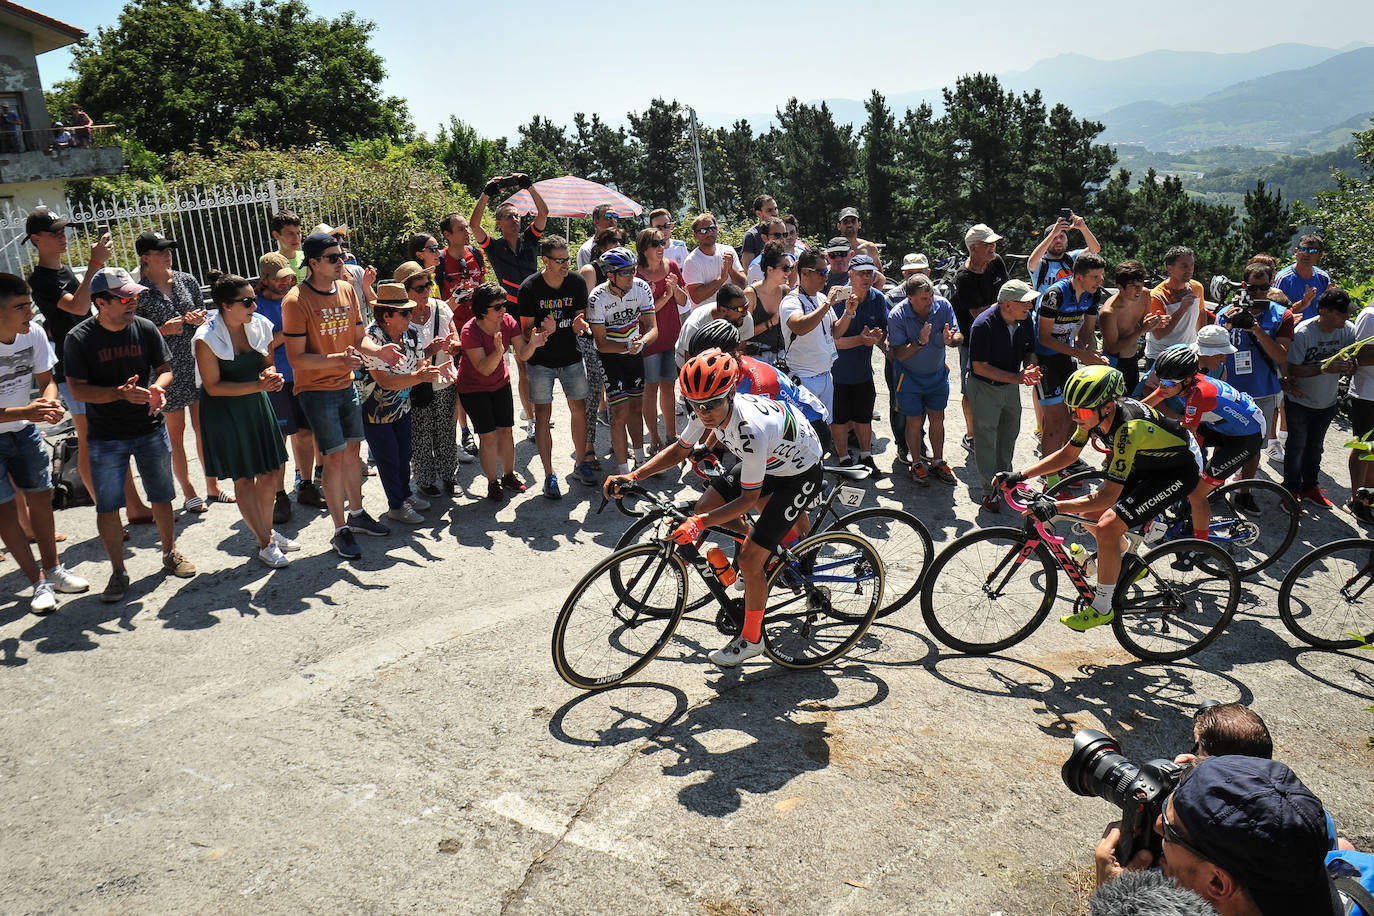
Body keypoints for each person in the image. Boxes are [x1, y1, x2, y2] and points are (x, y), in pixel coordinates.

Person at [604, 349, 825, 667]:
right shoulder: (705, 408)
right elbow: (680, 449)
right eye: (696, 405)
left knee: (748, 560)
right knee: (706, 506)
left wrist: (699, 523)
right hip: (771, 462)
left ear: (731, 394)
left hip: (799, 473)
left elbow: (748, 500)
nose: (704, 412)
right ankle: (762, 550)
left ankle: (752, 639)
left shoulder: (750, 429)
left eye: (711, 404)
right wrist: (634, 475)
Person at [996, 365, 1205, 631]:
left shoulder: (1128, 430)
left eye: (1081, 412)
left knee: (1107, 525)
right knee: (1089, 516)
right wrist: (1020, 474)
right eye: (1071, 410)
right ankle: (1125, 564)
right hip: (1148, 459)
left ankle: (1102, 607)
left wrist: (1054, 507)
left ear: (1106, 406)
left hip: (1179, 469)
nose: (1075, 417)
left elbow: (1106, 496)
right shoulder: (1094, 415)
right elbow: (1068, 455)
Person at [64, 267, 197, 602]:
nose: (132, 302)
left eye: (134, 296)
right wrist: (118, 394)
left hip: (150, 427)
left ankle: (170, 553)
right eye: (124, 298)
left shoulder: (145, 328)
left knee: (162, 495)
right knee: (108, 506)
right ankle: (119, 572)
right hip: (106, 436)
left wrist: (157, 388)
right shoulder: (79, 339)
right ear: (100, 303)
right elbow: (78, 391)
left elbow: (166, 370)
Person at [26, 208, 153, 527]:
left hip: (92, 361)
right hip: (72, 369)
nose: (61, 236)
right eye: (54, 232)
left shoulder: (63, 271)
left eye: (62, 230)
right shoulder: (40, 278)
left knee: (114, 434)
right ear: (35, 240)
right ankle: (107, 513)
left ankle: (134, 506)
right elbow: (79, 306)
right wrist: (95, 262)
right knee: (89, 440)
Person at [1094, 755, 1343, 916]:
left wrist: (1115, 899)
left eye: (1170, 829)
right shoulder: (1356, 875)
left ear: (1217, 883)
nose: (1157, 825)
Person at [283, 232, 403, 559]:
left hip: (346, 383)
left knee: (353, 451)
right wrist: (337, 359)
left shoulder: (348, 289)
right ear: (313, 263)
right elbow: (296, 359)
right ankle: (340, 531)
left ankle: (358, 515)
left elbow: (359, 338)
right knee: (334, 457)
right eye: (333, 258)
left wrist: (380, 351)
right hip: (316, 390)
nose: (342, 262)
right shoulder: (296, 301)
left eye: (342, 255)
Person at [0, 272, 90, 612]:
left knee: (41, 501)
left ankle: (53, 570)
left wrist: (50, 403)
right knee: (6, 512)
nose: (30, 312)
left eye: (30, 303)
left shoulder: (34, 333)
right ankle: (38, 583)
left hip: (23, 431)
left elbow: (47, 381)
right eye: (20, 306)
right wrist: (29, 409)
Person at [192, 275, 295, 568]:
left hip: (255, 404)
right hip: (225, 412)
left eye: (254, 299)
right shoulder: (205, 338)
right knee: (244, 478)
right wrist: (260, 386)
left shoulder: (260, 324)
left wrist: (270, 374)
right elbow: (212, 387)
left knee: (271, 472)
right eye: (247, 301)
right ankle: (264, 543)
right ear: (225, 305)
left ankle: (268, 533)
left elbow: (266, 361)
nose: (254, 305)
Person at [134, 230, 230, 514]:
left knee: (204, 428)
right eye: (160, 250)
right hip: (166, 369)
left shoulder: (187, 280)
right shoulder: (139, 293)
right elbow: (137, 335)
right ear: (145, 258)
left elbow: (205, 317)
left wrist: (198, 319)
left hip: (197, 363)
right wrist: (164, 330)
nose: (168, 254)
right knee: (176, 433)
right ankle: (189, 491)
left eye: (168, 249)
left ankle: (212, 484)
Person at [470, 173, 549, 436]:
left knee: (540, 362)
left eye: (517, 216)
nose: (515, 220)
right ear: (499, 223)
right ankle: (533, 420)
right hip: (512, 310)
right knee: (523, 366)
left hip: (536, 307)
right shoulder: (493, 246)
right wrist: (487, 192)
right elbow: (474, 225)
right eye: (509, 216)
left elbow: (543, 213)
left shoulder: (530, 239)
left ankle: (536, 411)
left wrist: (529, 187)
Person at [456, 283, 552, 501]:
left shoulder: (507, 322)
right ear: (482, 309)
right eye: (497, 306)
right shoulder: (470, 331)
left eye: (504, 304)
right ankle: (492, 482)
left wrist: (534, 344)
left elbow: (523, 354)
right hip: (473, 389)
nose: (503, 310)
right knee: (488, 437)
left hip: (500, 384)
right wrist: (498, 351)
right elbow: (484, 368)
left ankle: (508, 475)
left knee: (506, 431)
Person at [356, 282, 441, 525]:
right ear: (387, 316)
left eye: (409, 310)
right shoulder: (373, 339)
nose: (410, 315)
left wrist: (430, 368)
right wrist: (419, 377)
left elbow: (416, 364)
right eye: (404, 312)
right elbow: (384, 381)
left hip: (403, 406)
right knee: (388, 458)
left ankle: (404, 495)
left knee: (405, 454)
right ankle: (396, 505)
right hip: (376, 411)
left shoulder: (410, 333)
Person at [1146, 343, 1265, 509]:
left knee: (1197, 494)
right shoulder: (1176, 380)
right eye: (1161, 381)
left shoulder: (1198, 395)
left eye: (1169, 384)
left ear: (1187, 380)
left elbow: (1187, 436)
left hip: (1246, 437)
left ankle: (1196, 532)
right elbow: (1145, 405)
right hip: (1224, 425)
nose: (1163, 387)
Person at [517, 235, 593, 497]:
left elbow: (580, 315)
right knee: (542, 415)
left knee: (579, 409)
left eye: (567, 259)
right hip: (541, 363)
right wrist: (541, 331)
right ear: (545, 261)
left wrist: (580, 324)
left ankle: (580, 463)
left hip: (571, 357)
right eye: (559, 260)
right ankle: (549, 474)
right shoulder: (529, 288)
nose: (565, 265)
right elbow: (526, 332)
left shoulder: (576, 282)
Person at [1282, 287, 1367, 508]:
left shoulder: (1347, 330)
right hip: (1300, 402)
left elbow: (1354, 358)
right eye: (1341, 312)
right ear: (1323, 311)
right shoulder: (1304, 333)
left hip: (1327, 402)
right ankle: (1290, 492)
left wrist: (1351, 366)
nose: (1347, 317)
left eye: (1346, 312)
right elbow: (1291, 369)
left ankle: (1310, 487)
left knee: (1316, 447)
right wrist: (1324, 368)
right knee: (1296, 446)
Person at [687, 319, 830, 445]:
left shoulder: (759, 383)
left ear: (729, 354)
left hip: (811, 432)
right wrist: (707, 446)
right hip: (782, 429)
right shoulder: (733, 368)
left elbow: (755, 435)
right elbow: (726, 416)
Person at [253, 251, 318, 521]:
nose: (285, 283)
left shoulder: (298, 297)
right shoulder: (254, 306)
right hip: (276, 380)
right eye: (279, 279)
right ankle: (279, 496)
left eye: (288, 277)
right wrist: (289, 332)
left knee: (305, 434)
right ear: (265, 279)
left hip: (304, 376)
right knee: (279, 438)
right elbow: (260, 346)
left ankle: (306, 485)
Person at [1214, 261, 1295, 475]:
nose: (1258, 293)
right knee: (1222, 442)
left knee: (1254, 447)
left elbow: (1280, 355)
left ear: (1271, 286)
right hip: (1229, 390)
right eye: (1252, 288)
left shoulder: (1282, 315)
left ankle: (1244, 491)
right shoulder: (1226, 312)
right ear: (1243, 285)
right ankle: (1214, 488)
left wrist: (1257, 330)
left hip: (1264, 390)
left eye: (1263, 288)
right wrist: (1226, 326)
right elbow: (1213, 353)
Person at [967, 280, 1041, 512]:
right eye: (1025, 302)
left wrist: (1029, 369)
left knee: (1009, 433)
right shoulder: (983, 325)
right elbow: (979, 367)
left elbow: (1030, 350)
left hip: (1010, 385)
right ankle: (989, 491)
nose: (1029, 306)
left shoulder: (1025, 319)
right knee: (987, 438)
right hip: (984, 387)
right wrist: (1018, 378)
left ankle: (1005, 480)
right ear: (1008, 305)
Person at [1034, 251, 1110, 467]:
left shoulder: (1092, 294)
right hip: (1045, 357)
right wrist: (1081, 354)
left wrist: (1093, 354)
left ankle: (1064, 462)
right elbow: (1044, 338)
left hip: (1067, 355)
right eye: (1095, 277)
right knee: (1055, 420)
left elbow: (1087, 333)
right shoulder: (1055, 294)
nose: (1100, 281)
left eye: (1101, 276)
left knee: (1073, 416)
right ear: (1079, 277)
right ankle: (1048, 472)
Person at [588, 247, 658, 476]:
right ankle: (622, 471)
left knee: (636, 408)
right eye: (626, 272)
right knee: (619, 413)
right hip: (610, 358)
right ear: (611, 275)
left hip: (633, 355)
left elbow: (653, 328)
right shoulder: (597, 298)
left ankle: (640, 462)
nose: (632, 275)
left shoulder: (641, 288)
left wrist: (643, 343)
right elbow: (600, 343)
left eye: (634, 270)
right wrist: (629, 346)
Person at [887, 274, 961, 486]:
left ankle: (937, 461)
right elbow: (899, 354)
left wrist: (951, 340)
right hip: (908, 377)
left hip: (937, 375)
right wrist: (920, 342)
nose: (930, 302)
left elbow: (958, 336)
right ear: (910, 298)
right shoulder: (897, 315)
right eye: (923, 298)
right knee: (914, 421)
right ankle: (917, 463)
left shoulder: (943, 305)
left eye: (930, 296)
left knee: (938, 418)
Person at [397, 261, 461, 499]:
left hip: (445, 379)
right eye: (420, 288)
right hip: (416, 382)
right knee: (421, 432)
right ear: (406, 291)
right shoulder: (399, 316)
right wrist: (426, 353)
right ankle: (425, 479)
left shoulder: (440, 307)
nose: (427, 291)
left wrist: (454, 347)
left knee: (446, 430)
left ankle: (449, 476)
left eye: (428, 285)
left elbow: (453, 334)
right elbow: (398, 358)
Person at [779, 247, 856, 423]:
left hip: (825, 374)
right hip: (803, 378)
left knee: (824, 428)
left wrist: (848, 313)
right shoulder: (792, 301)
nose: (826, 277)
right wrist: (828, 303)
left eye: (826, 271)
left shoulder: (821, 299)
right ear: (805, 273)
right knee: (807, 430)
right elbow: (800, 327)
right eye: (821, 272)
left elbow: (835, 332)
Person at [952, 224, 1011, 453]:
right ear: (973, 248)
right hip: (972, 340)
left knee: (999, 385)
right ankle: (971, 435)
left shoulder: (996, 262)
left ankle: (992, 430)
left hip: (1001, 334)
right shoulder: (964, 277)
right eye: (988, 244)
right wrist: (1007, 302)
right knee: (971, 389)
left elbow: (1005, 289)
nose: (993, 248)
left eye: (994, 243)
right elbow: (979, 314)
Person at [829, 254, 888, 475]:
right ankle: (844, 459)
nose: (866, 277)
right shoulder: (838, 296)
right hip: (837, 373)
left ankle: (866, 456)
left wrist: (877, 338)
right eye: (861, 273)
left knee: (864, 416)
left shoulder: (878, 298)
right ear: (850, 274)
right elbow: (834, 341)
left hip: (863, 372)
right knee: (840, 418)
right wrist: (861, 340)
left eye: (870, 273)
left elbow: (882, 333)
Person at [635, 227, 688, 457]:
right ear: (644, 248)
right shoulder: (636, 276)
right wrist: (666, 295)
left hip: (672, 337)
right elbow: (643, 316)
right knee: (651, 388)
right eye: (656, 243)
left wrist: (674, 288)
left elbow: (685, 300)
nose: (661, 247)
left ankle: (671, 436)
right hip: (649, 340)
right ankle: (655, 439)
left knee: (669, 385)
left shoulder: (672, 267)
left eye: (662, 242)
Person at [436, 211, 485, 462]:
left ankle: (482, 430)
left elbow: (484, 287)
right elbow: (435, 306)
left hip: (479, 330)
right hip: (452, 334)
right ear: (447, 235)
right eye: (461, 229)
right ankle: (464, 432)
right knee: (457, 388)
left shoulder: (476, 255)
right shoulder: (439, 262)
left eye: (467, 228)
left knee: (480, 382)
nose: (467, 232)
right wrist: (456, 299)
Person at [1143, 246, 1207, 393]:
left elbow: (1201, 314)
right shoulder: (1158, 295)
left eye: (1191, 265)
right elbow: (1159, 334)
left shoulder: (1197, 287)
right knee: (1159, 401)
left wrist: (1201, 345)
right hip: (1160, 358)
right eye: (1184, 266)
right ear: (1170, 269)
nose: (1189, 269)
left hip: (1187, 356)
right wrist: (1182, 308)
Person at [1099, 260, 1160, 402]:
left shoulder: (1144, 295)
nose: (1139, 290)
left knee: (1133, 405)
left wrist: (1157, 323)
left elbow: (1143, 322)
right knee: (1113, 408)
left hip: (1133, 361)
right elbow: (1113, 347)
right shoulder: (1109, 312)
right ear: (1120, 287)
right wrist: (1143, 330)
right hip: (1114, 363)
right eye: (1134, 287)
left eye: (1141, 285)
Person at [678, 282, 755, 369]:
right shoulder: (694, 326)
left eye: (746, 306)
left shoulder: (744, 319)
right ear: (723, 310)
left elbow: (740, 353)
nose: (745, 313)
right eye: (741, 309)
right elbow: (690, 366)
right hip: (689, 361)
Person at [742, 240, 794, 365]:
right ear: (770, 269)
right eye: (785, 268)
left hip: (781, 356)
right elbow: (743, 333)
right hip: (756, 357)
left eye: (791, 268)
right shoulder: (750, 294)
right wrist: (771, 322)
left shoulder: (785, 291)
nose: (789, 273)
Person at [1026, 212, 1101, 292]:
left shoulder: (1072, 258)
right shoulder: (1041, 263)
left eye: (1062, 236)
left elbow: (1095, 250)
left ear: (1067, 240)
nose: (1058, 240)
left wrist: (1083, 228)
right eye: (1054, 237)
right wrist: (1053, 233)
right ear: (1047, 241)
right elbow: (1032, 261)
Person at [683, 213, 744, 308]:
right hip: (707, 318)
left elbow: (743, 285)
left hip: (732, 314)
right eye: (703, 230)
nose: (709, 232)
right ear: (695, 235)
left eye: (712, 228)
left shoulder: (729, 251)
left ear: (717, 229)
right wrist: (721, 279)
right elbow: (696, 297)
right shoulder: (692, 261)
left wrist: (731, 270)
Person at [1275, 234, 1331, 322]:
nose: (1306, 254)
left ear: (1320, 255)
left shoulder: (1323, 278)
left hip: (1317, 331)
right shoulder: (1283, 279)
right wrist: (1303, 303)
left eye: (1312, 251)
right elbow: (1275, 312)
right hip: (1291, 332)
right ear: (1296, 252)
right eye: (1303, 249)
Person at [738, 194, 778, 268]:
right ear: (758, 214)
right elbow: (748, 269)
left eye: (775, 209)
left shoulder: (783, 230)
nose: (775, 213)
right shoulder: (751, 236)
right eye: (769, 210)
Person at [575, 204, 621, 269]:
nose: (613, 220)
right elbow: (585, 276)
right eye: (608, 216)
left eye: (615, 216)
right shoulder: (586, 249)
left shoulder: (619, 245)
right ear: (596, 221)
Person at [405, 232, 445, 301]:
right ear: (420, 255)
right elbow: (429, 309)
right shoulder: (417, 282)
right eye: (433, 249)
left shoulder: (436, 275)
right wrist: (455, 299)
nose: (438, 253)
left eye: (438, 248)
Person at [268, 211, 306, 280]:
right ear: (276, 235)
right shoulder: (270, 261)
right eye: (290, 234)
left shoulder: (307, 257)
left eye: (298, 233)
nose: (296, 238)